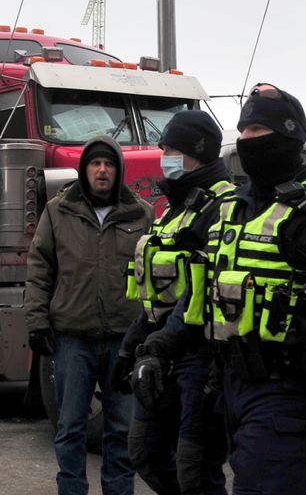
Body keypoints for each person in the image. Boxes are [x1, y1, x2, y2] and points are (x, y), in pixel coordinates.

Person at [133, 84, 306, 495]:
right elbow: (201, 292)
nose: (246, 141)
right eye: (242, 131)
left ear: (289, 136)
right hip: (226, 382)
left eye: (257, 130)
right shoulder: (231, 211)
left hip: (291, 390)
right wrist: (161, 345)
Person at [27, 134, 153, 495]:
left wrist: (150, 331)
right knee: (70, 427)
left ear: (119, 170)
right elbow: (40, 271)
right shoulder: (58, 211)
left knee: (121, 429)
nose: (102, 170)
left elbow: (154, 278)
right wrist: (37, 322)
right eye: (95, 163)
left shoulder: (141, 214)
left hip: (124, 340)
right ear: (84, 170)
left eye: (109, 164)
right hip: (72, 339)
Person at [116, 110, 231, 495]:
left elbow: (202, 287)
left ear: (196, 151)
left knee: (195, 467)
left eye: (170, 147)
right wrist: (130, 350)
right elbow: (155, 295)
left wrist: (161, 345)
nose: (162, 153)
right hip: (160, 351)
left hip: (202, 354)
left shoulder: (223, 208)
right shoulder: (175, 210)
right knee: (144, 452)